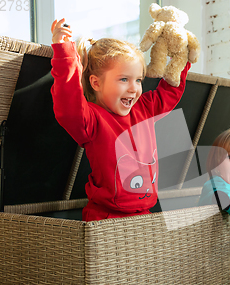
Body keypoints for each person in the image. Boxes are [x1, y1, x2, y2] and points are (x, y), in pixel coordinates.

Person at [50, 18, 191, 221]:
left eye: (138, 80)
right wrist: (64, 52)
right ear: (96, 83)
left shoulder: (144, 108)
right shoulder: (92, 119)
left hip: (144, 215)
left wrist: (181, 57)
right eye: (124, 79)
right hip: (105, 219)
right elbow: (68, 101)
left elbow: (171, 89)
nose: (134, 88)